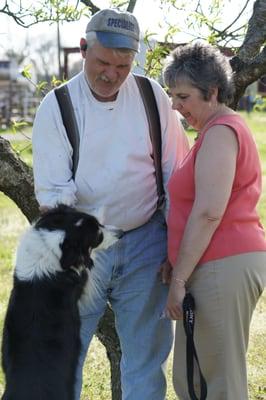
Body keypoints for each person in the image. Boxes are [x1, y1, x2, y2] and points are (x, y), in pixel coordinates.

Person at [32, 8, 189, 400]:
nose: (112, 73)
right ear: (83, 50)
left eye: (123, 64)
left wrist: (174, 246)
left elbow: (176, 173)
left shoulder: (152, 95)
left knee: (146, 360)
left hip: (146, 241)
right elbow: (54, 195)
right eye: (103, 61)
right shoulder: (58, 106)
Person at [161, 41, 266, 399]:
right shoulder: (210, 132)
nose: (175, 105)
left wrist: (179, 277)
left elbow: (208, 212)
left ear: (213, 91)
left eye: (184, 96)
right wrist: (174, 257)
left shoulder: (221, 132)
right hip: (211, 265)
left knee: (219, 384)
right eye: (172, 95)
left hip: (223, 265)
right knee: (194, 379)